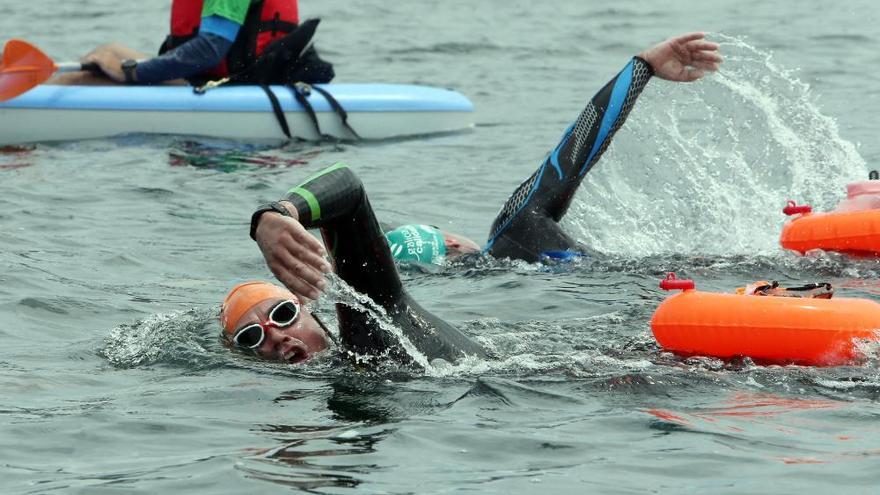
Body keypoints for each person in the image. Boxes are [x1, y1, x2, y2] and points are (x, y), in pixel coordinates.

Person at [226, 32, 722, 365]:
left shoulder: (374, 323)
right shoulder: (516, 238)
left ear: (311, 302)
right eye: (253, 339)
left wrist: (276, 214)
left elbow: (349, 188)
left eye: (283, 314)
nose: (277, 335)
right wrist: (640, 68)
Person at [49, 0, 331, 86]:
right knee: (105, 53)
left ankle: (13, 108)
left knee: (81, 79)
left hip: (233, 85)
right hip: (221, 77)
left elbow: (209, 50)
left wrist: (131, 72)